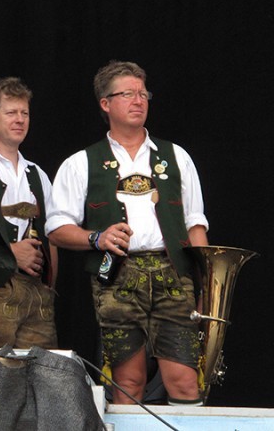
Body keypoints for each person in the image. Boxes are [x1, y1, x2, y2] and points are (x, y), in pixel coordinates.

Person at [45, 60, 208, 406]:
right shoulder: (81, 162)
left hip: (173, 274)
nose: (138, 100)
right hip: (118, 276)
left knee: (184, 381)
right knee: (127, 381)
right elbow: (56, 229)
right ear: (105, 104)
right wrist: (97, 238)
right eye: (128, 94)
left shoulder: (176, 156)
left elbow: (195, 224)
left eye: (143, 94)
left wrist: (207, 286)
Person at [0, 77, 57, 349]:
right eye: (11, 112)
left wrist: (49, 287)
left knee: (41, 369)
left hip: (36, 295)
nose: (19, 120)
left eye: (24, 113)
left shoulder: (37, 174)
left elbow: (52, 237)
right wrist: (8, 253)